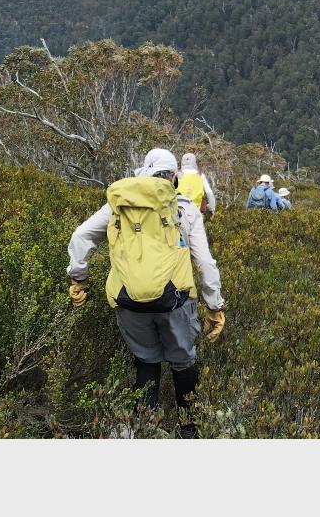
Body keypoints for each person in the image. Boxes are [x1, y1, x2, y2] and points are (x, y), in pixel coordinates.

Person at [66, 148, 226, 438]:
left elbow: (81, 236)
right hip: (175, 304)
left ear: (144, 171)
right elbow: (205, 262)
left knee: (146, 360)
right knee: (183, 361)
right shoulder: (185, 208)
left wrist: (79, 278)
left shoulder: (118, 204)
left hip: (128, 302)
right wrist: (215, 306)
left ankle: (143, 430)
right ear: (173, 176)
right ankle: (189, 431)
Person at [176, 152, 217, 217]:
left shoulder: (177, 175)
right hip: (195, 213)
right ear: (194, 162)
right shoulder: (200, 176)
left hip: (178, 212)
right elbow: (209, 193)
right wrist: (211, 208)